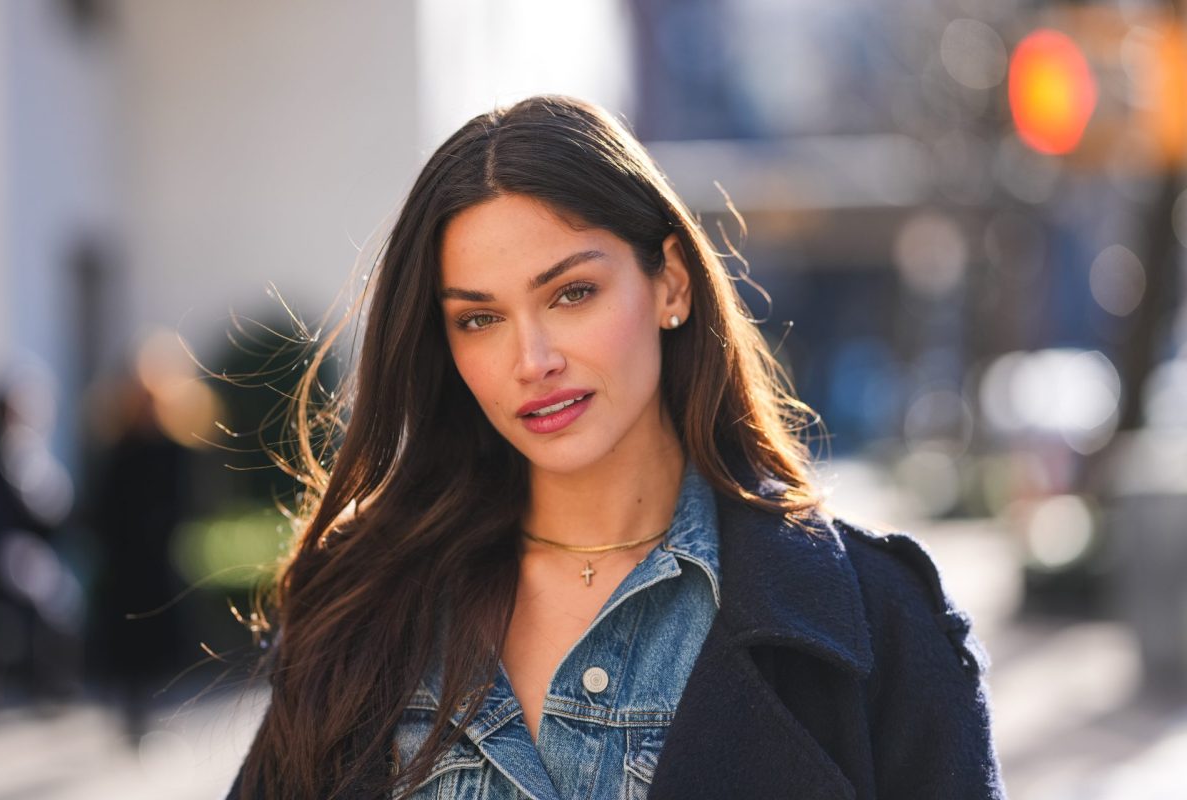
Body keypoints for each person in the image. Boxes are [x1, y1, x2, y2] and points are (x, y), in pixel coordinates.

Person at [225, 95, 1006, 799]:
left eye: (571, 294)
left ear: (670, 283)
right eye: (479, 318)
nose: (532, 361)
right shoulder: (368, 609)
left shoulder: (872, 620)